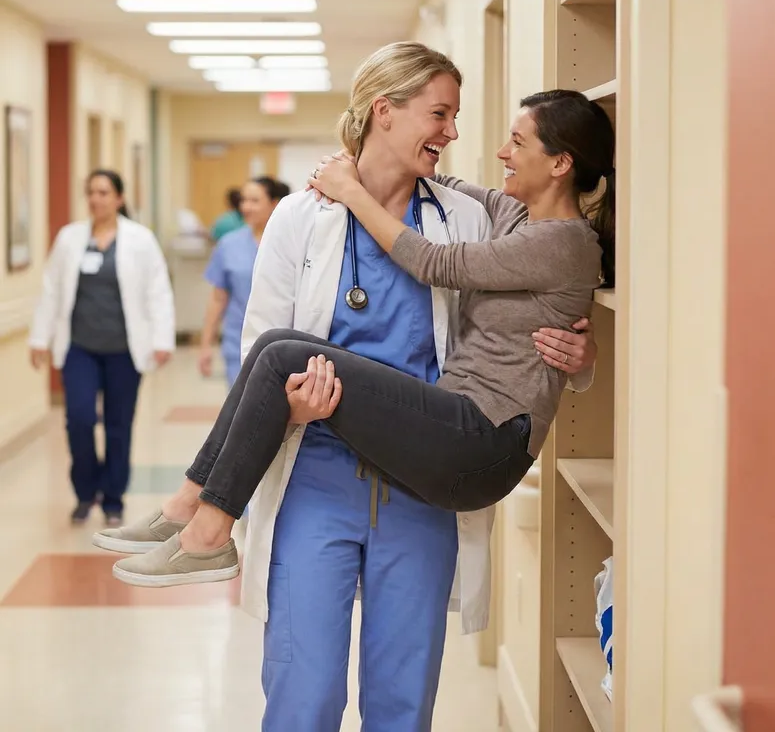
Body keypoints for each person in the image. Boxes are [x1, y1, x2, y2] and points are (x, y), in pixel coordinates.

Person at [94, 44, 597, 731]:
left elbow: (529, 316)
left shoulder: (464, 218)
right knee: (304, 698)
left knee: (400, 704)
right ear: (383, 113)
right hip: (317, 479)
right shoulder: (302, 217)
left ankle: (196, 516)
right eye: (440, 113)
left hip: (419, 493)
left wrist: (581, 351)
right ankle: (202, 516)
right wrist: (292, 408)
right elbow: (260, 347)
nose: (453, 132)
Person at [29, 169, 175, 527]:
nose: (96, 199)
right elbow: (51, 289)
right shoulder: (70, 239)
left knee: (118, 425)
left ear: (119, 199)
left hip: (125, 349)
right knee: (78, 419)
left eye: (104, 192)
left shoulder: (141, 240)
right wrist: (39, 337)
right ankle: (84, 492)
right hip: (79, 348)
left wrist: (162, 339)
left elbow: (158, 290)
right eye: (91, 192)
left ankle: (112, 498)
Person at [199, 177, 290, 387]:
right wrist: (206, 345)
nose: (246, 207)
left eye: (254, 201)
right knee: (241, 412)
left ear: (275, 203)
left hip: (283, 342)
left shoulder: (290, 243)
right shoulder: (229, 245)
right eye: (244, 200)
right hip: (237, 343)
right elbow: (218, 299)